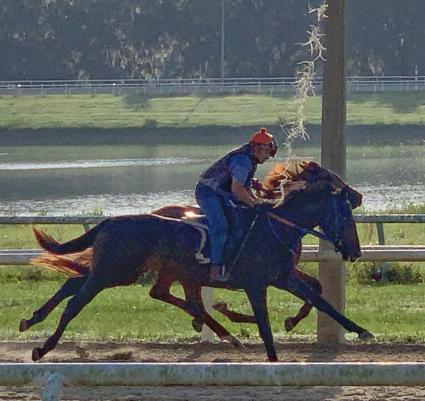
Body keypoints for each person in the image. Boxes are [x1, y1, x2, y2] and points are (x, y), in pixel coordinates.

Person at [195, 127, 279, 282]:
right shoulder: (242, 160)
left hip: (222, 192)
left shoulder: (250, 159)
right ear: (258, 148)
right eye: (268, 152)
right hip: (208, 193)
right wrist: (254, 204)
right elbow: (237, 189)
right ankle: (216, 268)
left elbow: (243, 188)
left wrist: (257, 202)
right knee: (221, 226)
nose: (268, 157)